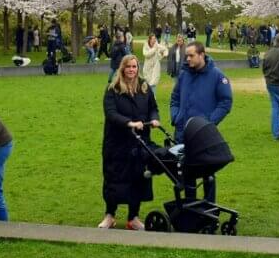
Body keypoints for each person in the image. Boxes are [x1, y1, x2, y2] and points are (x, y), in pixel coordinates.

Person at [99, 54, 160, 230]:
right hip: (117, 143)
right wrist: (129, 123)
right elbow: (110, 113)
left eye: (134, 67)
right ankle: (110, 215)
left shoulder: (144, 87)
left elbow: (153, 108)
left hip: (140, 142)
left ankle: (133, 217)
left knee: (138, 178)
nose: (132, 70)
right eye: (128, 67)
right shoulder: (113, 89)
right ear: (122, 68)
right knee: (114, 179)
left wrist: (154, 119)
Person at [170, 41, 233, 202]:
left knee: (207, 172)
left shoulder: (217, 76)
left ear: (201, 55)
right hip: (182, 131)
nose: (188, 59)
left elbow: (225, 101)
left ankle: (209, 208)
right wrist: (176, 116)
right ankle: (190, 207)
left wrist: (209, 123)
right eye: (186, 56)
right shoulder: (184, 74)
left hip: (203, 135)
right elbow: (175, 97)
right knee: (186, 170)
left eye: (191, 55)